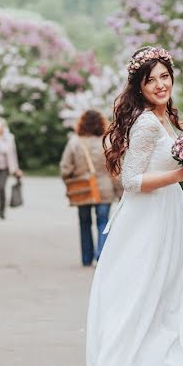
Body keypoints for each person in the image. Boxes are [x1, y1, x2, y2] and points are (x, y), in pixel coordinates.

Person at [86, 46, 183, 366]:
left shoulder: (163, 120)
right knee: (137, 306)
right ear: (139, 87)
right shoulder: (144, 124)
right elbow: (131, 181)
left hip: (167, 219)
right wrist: (182, 175)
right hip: (146, 224)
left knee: (166, 304)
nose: (160, 85)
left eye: (164, 77)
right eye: (151, 79)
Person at [60, 110, 121, 266]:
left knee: (84, 222)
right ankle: (101, 253)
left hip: (83, 188)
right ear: (101, 123)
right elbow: (114, 169)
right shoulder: (107, 142)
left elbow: (65, 168)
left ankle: (86, 258)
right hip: (104, 189)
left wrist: (71, 180)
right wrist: (119, 191)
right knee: (103, 221)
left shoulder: (74, 142)